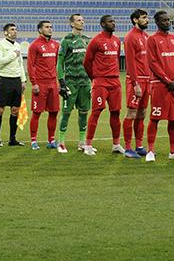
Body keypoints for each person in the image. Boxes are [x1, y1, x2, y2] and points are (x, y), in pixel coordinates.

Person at [82, 15, 122, 156]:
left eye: (114, 21)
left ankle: (116, 144)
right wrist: (94, 77)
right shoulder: (96, 41)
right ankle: (88, 145)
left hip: (115, 82)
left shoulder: (117, 41)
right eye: (110, 21)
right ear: (102, 24)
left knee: (116, 112)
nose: (113, 23)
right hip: (101, 82)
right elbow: (87, 62)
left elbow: (116, 59)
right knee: (96, 111)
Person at [145, 11, 174, 162]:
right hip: (160, 84)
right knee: (155, 117)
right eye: (164, 20)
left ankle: (173, 150)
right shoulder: (152, 39)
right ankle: (150, 150)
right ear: (157, 22)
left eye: (168, 20)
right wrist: (168, 81)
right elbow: (153, 63)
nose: (167, 22)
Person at [56, 14, 91, 153]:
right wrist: (62, 82)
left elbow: (91, 62)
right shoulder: (66, 41)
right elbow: (59, 63)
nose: (82, 22)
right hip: (71, 81)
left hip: (85, 82)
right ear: (71, 24)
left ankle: (82, 142)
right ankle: (61, 142)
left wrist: (92, 80)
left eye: (83, 20)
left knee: (84, 112)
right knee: (66, 112)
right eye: (78, 20)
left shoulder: (87, 40)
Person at [27, 21, 61, 151]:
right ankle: (33, 140)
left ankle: (51, 140)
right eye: (47, 27)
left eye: (51, 27)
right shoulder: (34, 45)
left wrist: (58, 81)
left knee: (54, 112)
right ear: (40, 30)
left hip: (53, 83)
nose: (50, 29)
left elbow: (57, 64)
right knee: (37, 113)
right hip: (40, 84)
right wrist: (34, 83)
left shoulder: (55, 45)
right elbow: (30, 66)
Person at [0, 23, 26, 147]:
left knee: (15, 110)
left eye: (16, 29)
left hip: (16, 81)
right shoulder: (0, 44)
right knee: (0, 109)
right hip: (5, 80)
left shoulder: (17, 45)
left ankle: (12, 138)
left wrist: (23, 80)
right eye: (12, 30)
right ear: (6, 32)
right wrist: (13, 55)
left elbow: (20, 64)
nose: (15, 31)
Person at [122, 9, 150, 158]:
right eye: (144, 18)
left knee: (142, 113)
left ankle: (139, 145)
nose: (147, 20)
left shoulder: (146, 37)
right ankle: (128, 148)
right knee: (132, 112)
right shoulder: (130, 37)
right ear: (135, 20)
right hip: (137, 80)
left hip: (147, 80)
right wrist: (135, 83)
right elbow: (130, 63)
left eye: (147, 17)